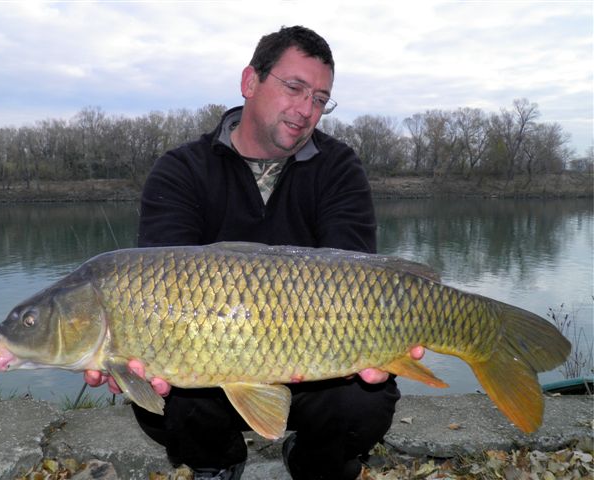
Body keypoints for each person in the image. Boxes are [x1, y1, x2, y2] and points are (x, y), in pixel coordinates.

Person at [85, 25, 423, 480]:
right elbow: (156, 287)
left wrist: (380, 346)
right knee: (168, 391)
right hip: (211, 351)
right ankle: (217, 462)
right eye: (295, 88)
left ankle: (312, 462)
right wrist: (124, 352)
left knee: (361, 401)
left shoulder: (339, 167)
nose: (306, 110)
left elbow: (355, 282)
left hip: (316, 351)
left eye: (320, 99)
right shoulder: (181, 170)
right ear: (250, 82)